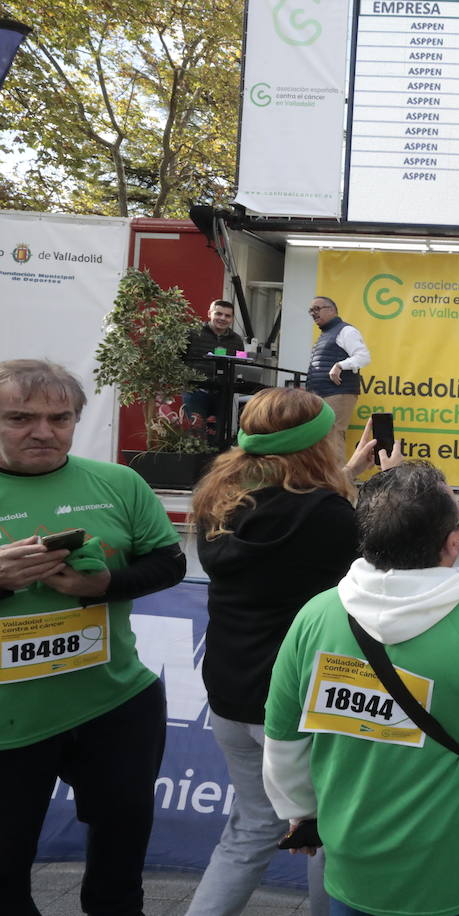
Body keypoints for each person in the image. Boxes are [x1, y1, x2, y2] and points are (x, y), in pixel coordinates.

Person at [264, 461, 459, 916]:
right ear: (452, 542)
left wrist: (299, 811)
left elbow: (283, 735)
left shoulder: (316, 616)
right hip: (453, 869)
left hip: (349, 862)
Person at [185, 388, 400, 916]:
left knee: (253, 828)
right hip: (300, 700)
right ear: (314, 443)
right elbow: (387, 561)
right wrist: (389, 485)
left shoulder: (219, 498)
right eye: (332, 432)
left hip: (231, 697)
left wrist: (345, 475)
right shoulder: (326, 516)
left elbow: (290, 513)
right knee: (325, 828)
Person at [0, 359, 186, 915]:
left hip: (114, 701)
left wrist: (104, 583)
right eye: (19, 418)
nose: (43, 431)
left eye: (60, 418)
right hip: (11, 721)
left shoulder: (117, 481)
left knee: (118, 881)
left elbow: (169, 563)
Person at [305, 296, 371, 461]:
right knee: (322, 440)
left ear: (332, 310)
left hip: (338, 392)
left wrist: (340, 365)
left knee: (333, 437)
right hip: (321, 394)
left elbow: (363, 357)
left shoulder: (346, 331)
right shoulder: (326, 334)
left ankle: (337, 483)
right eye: (311, 310)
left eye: (317, 309)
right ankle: (327, 481)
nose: (313, 313)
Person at [183, 298, 247, 429]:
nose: (222, 318)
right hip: (195, 390)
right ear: (209, 314)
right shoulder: (193, 333)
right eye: (218, 314)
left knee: (218, 433)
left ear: (232, 319)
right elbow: (179, 358)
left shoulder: (236, 340)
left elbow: (240, 365)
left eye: (227, 315)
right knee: (196, 431)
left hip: (222, 393)